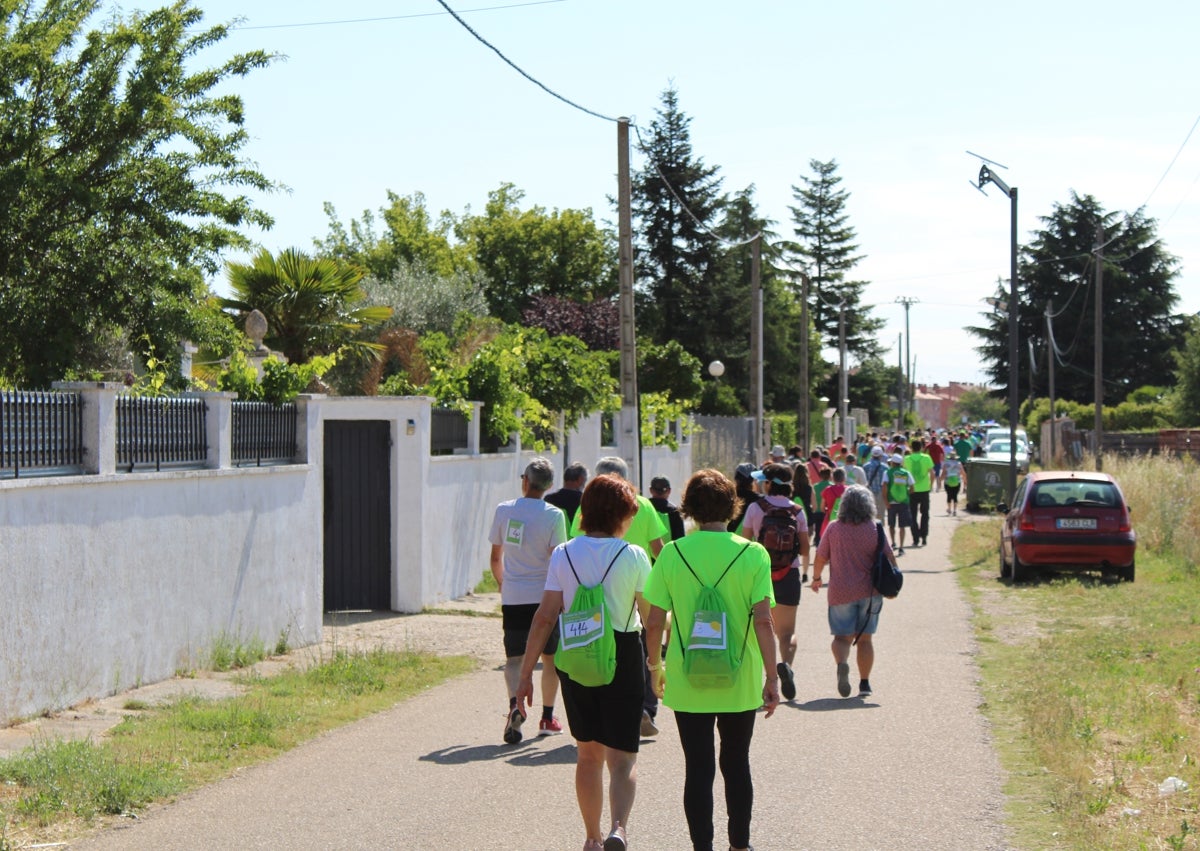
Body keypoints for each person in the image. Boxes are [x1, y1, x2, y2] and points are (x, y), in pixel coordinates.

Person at [642, 469, 780, 851]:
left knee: (697, 769)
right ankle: (740, 845)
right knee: (737, 763)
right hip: (740, 678)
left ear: (689, 509)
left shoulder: (672, 554)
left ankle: (702, 845)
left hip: (688, 678)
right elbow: (765, 621)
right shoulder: (753, 554)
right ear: (732, 506)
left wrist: (656, 668)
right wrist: (773, 677)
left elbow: (654, 623)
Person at [516, 474, 653, 851]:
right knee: (622, 758)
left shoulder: (563, 554)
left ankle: (592, 838)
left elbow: (545, 617)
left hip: (575, 653)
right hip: (623, 654)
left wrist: (526, 674)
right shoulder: (634, 556)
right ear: (622, 515)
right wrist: (657, 663)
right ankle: (618, 829)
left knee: (587, 756)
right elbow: (651, 616)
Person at [571, 456, 668, 738]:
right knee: (640, 645)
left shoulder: (586, 507)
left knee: (595, 651)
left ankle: (603, 713)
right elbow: (658, 548)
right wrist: (665, 582)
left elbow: (575, 542)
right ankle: (645, 708)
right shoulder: (645, 506)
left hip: (596, 592)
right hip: (637, 583)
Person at [488, 457, 569, 743]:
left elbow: (496, 557)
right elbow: (557, 558)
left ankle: (514, 705)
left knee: (514, 659)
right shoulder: (554, 515)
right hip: (544, 596)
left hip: (514, 596)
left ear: (525, 481)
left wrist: (503, 583)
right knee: (549, 660)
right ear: (548, 486)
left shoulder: (504, 510)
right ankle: (547, 716)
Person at [809, 485, 895, 698]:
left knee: (841, 637)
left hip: (840, 592)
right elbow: (890, 559)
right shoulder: (875, 528)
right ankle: (864, 683)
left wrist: (817, 578)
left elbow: (820, 557)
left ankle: (842, 664)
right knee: (865, 639)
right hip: (870, 592)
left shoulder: (834, 528)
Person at [740, 462, 809, 701]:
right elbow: (806, 546)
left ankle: (765, 679)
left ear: (769, 484)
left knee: (760, 627)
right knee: (787, 632)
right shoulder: (798, 511)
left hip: (760, 575)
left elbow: (744, 543)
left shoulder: (755, 508)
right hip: (789, 574)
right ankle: (785, 666)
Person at [904, 438, 935, 547]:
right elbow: (932, 473)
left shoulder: (906, 459)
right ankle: (924, 536)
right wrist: (931, 485)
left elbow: (904, 475)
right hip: (924, 489)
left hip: (911, 490)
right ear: (921, 447)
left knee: (912, 514)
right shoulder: (926, 458)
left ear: (911, 448)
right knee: (925, 514)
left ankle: (915, 538)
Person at [884, 453, 914, 555]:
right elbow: (912, 488)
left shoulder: (887, 472)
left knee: (891, 525)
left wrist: (886, 501)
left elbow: (884, 487)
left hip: (891, 502)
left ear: (892, 462)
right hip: (903, 502)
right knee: (902, 526)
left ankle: (893, 543)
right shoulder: (906, 473)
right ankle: (901, 547)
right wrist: (906, 495)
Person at [648, 475, 686, 542]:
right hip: (668, 552)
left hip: (643, 552)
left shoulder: (643, 508)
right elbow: (680, 540)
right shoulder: (675, 512)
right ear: (669, 491)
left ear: (651, 490)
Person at [728, 463, 758, 534]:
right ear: (753, 480)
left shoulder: (729, 496)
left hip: (729, 537)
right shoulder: (759, 500)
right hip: (749, 540)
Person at [862, 444, 888, 520]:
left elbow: (864, 480)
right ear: (881, 455)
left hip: (869, 492)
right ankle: (880, 530)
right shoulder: (885, 467)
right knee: (881, 515)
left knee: (870, 514)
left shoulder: (866, 466)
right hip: (881, 492)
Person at [940, 449, 964, 515]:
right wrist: (965, 480)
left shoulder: (946, 463)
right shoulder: (959, 463)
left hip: (948, 481)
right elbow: (962, 473)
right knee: (955, 496)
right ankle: (955, 510)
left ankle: (949, 509)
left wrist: (940, 480)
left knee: (949, 495)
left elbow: (944, 473)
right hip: (957, 481)